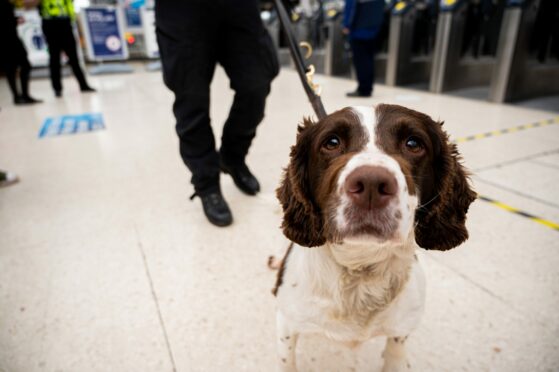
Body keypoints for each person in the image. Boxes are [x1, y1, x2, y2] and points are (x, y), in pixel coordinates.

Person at [156, 0, 279, 227]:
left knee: (256, 84)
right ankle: (207, 183)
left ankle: (232, 157)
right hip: (181, 10)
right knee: (191, 100)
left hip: (237, 7)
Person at [39, 0, 95, 97]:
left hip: (66, 22)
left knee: (74, 58)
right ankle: (57, 89)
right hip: (50, 23)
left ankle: (83, 85)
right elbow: (28, 4)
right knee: (54, 59)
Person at [0, 0, 42, 105]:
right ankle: (17, 97)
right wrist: (15, 20)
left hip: (13, 37)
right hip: (5, 39)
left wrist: (16, 19)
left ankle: (25, 95)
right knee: (11, 68)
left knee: (25, 65)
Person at [343, 0, 385, 97]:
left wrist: (346, 25)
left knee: (361, 61)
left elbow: (351, 6)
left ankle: (363, 89)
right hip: (374, 28)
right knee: (369, 59)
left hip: (359, 30)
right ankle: (367, 87)